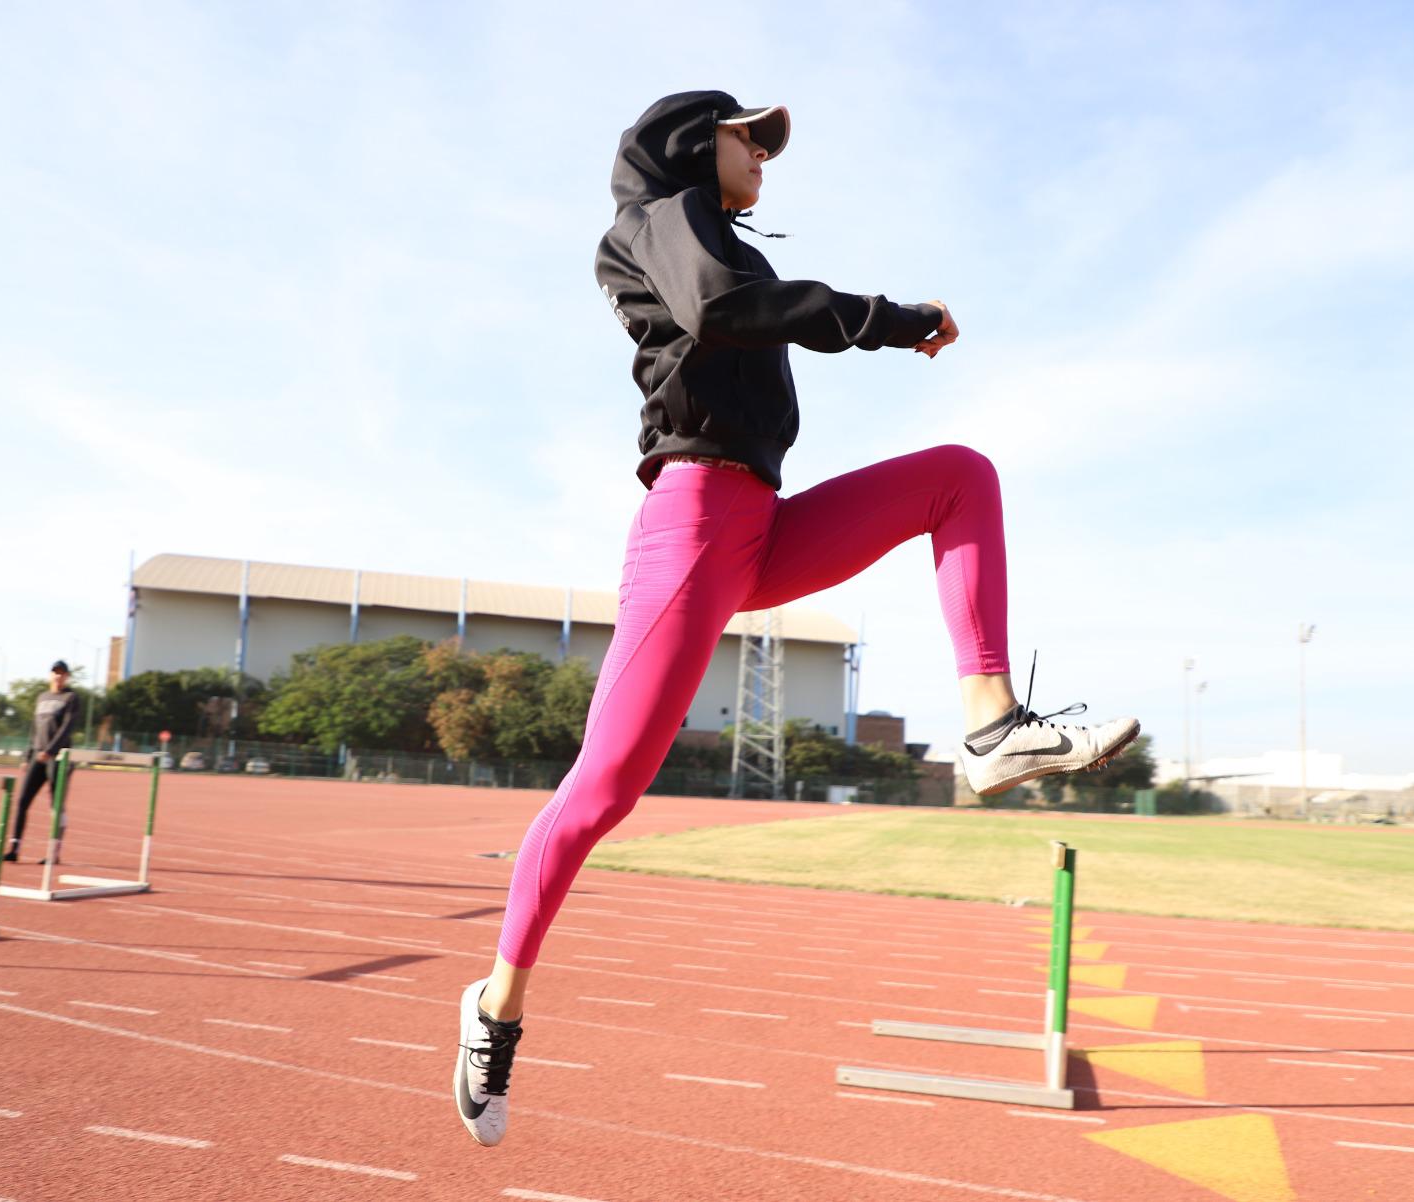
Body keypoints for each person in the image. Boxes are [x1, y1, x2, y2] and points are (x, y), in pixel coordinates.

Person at [453, 91, 1140, 1147]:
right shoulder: (658, 224)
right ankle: (496, 1005)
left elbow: (746, 298)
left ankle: (992, 723)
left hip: (760, 522)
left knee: (959, 476)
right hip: (688, 528)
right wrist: (890, 318)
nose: (764, 156)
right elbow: (726, 306)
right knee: (601, 793)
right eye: (748, 137)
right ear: (693, 142)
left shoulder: (717, 234)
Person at [2, 660, 80, 863]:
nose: (58, 676)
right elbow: (34, 730)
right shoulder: (41, 697)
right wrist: (27, 756)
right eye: (55, 673)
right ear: (50, 675)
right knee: (22, 801)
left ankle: (54, 853)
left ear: (67, 677)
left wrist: (51, 750)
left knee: (56, 805)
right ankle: (14, 848)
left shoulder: (71, 698)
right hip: (37, 756)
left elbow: (67, 728)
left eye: (62, 673)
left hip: (59, 758)